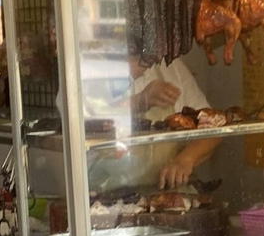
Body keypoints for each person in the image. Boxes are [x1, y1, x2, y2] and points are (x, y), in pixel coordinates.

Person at [86, 52, 221, 191]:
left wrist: (186, 159)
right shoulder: (91, 68)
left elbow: (212, 128)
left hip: (167, 196)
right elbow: (84, 124)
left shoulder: (170, 66)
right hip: (107, 198)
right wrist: (140, 102)